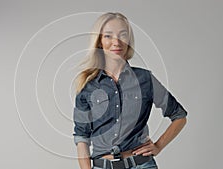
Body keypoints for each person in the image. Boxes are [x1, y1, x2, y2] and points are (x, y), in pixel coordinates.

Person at [73, 12, 187, 169]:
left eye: (123, 35)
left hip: (141, 165)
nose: (116, 42)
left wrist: (159, 146)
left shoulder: (145, 79)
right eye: (108, 36)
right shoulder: (87, 85)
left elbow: (179, 116)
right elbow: (81, 137)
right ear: (99, 42)